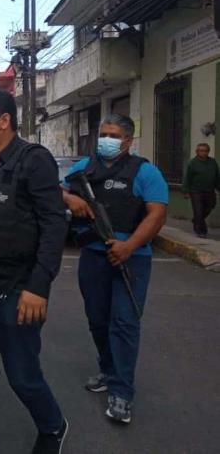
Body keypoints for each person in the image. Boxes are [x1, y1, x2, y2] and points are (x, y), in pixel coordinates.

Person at [0, 91, 68, 454]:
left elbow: (54, 226)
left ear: (4, 121)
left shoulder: (34, 161)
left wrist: (39, 286)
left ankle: (52, 425)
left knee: (22, 376)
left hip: (18, 286)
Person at [63, 114, 167, 425]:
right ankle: (108, 371)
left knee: (124, 322)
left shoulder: (145, 172)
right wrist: (70, 198)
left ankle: (122, 391)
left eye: (113, 134)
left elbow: (157, 213)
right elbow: (55, 191)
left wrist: (130, 245)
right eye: (103, 133)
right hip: (94, 255)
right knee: (97, 319)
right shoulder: (85, 168)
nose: (106, 139)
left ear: (128, 140)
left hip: (131, 259)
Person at [181, 143, 220, 238]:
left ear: (208, 152)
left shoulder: (212, 162)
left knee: (210, 206)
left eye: (206, 151)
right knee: (198, 210)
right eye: (201, 151)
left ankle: (196, 220)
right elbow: (188, 178)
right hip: (196, 191)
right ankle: (200, 230)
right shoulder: (193, 163)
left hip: (209, 190)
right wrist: (186, 191)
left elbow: (217, 176)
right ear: (197, 152)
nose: (204, 153)